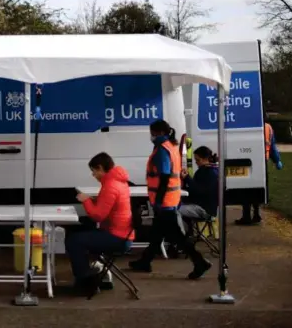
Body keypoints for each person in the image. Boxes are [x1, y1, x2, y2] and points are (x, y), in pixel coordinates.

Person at [129, 119, 212, 279]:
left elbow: (165, 175)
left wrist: (158, 200)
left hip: (165, 201)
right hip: (171, 199)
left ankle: (200, 262)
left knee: (177, 237)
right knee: (157, 233)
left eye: (152, 133)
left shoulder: (161, 150)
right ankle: (145, 261)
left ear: (159, 132)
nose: (151, 136)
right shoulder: (171, 146)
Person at [66, 152, 134, 294]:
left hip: (116, 237)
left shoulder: (110, 186)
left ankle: (85, 282)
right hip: (122, 234)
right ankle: (93, 276)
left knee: (74, 240)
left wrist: (86, 200)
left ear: (101, 168)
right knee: (79, 235)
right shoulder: (119, 182)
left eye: (94, 171)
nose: (93, 175)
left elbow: (98, 216)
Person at [236, 121, 283, 225]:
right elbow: (272, 147)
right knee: (257, 188)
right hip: (262, 162)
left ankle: (246, 216)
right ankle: (256, 214)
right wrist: (276, 160)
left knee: (246, 189)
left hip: (248, 160)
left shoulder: (247, 124)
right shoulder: (268, 127)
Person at [179, 146, 219, 235]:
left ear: (205, 159)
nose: (196, 162)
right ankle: (187, 233)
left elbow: (198, 190)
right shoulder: (212, 170)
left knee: (175, 211)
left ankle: (181, 237)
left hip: (204, 209)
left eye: (198, 160)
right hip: (207, 207)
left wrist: (187, 178)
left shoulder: (208, 173)